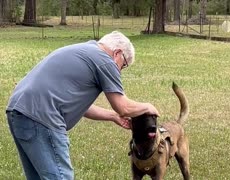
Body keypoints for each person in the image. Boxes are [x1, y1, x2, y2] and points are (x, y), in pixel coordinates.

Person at [6, 31, 159, 180]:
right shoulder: (105, 60)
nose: (120, 71)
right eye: (123, 65)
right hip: (42, 115)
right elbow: (123, 107)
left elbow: (82, 107)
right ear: (117, 53)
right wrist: (148, 107)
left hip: (18, 112)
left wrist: (113, 117)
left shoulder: (85, 51)